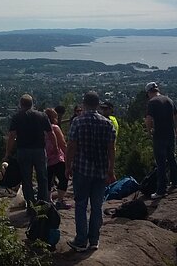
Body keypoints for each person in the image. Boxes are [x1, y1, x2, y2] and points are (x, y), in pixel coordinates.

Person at [65, 91, 116, 252]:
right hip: (101, 171)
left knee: (80, 204)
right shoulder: (107, 123)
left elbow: (71, 146)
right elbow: (111, 149)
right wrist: (111, 170)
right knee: (97, 205)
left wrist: (67, 166)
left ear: (84, 104)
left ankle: (81, 240)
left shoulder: (78, 122)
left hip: (82, 169)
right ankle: (94, 240)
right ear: (97, 104)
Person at [5, 94, 57, 210]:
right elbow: (51, 133)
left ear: (21, 104)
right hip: (39, 150)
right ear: (32, 104)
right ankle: (43, 203)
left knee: (26, 178)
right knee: (42, 177)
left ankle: (31, 205)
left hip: (23, 150)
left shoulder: (17, 117)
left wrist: (7, 153)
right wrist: (55, 147)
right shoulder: (42, 116)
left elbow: (12, 136)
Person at [144, 82, 177, 200]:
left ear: (149, 92)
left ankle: (161, 190)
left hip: (159, 135)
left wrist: (150, 131)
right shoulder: (169, 100)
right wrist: (170, 125)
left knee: (160, 162)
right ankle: (176, 182)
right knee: (172, 157)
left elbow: (149, 119)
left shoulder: (152, 102)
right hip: (170, 134)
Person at [43, 108, 71, 210]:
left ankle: (48, 201)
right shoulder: (55, 128)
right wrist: (68, 157)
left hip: (45, 159)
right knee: (63, 178)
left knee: (48, 181)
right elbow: (62, 144)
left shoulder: (40, 129)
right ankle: (59, 200)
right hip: (57, 158)